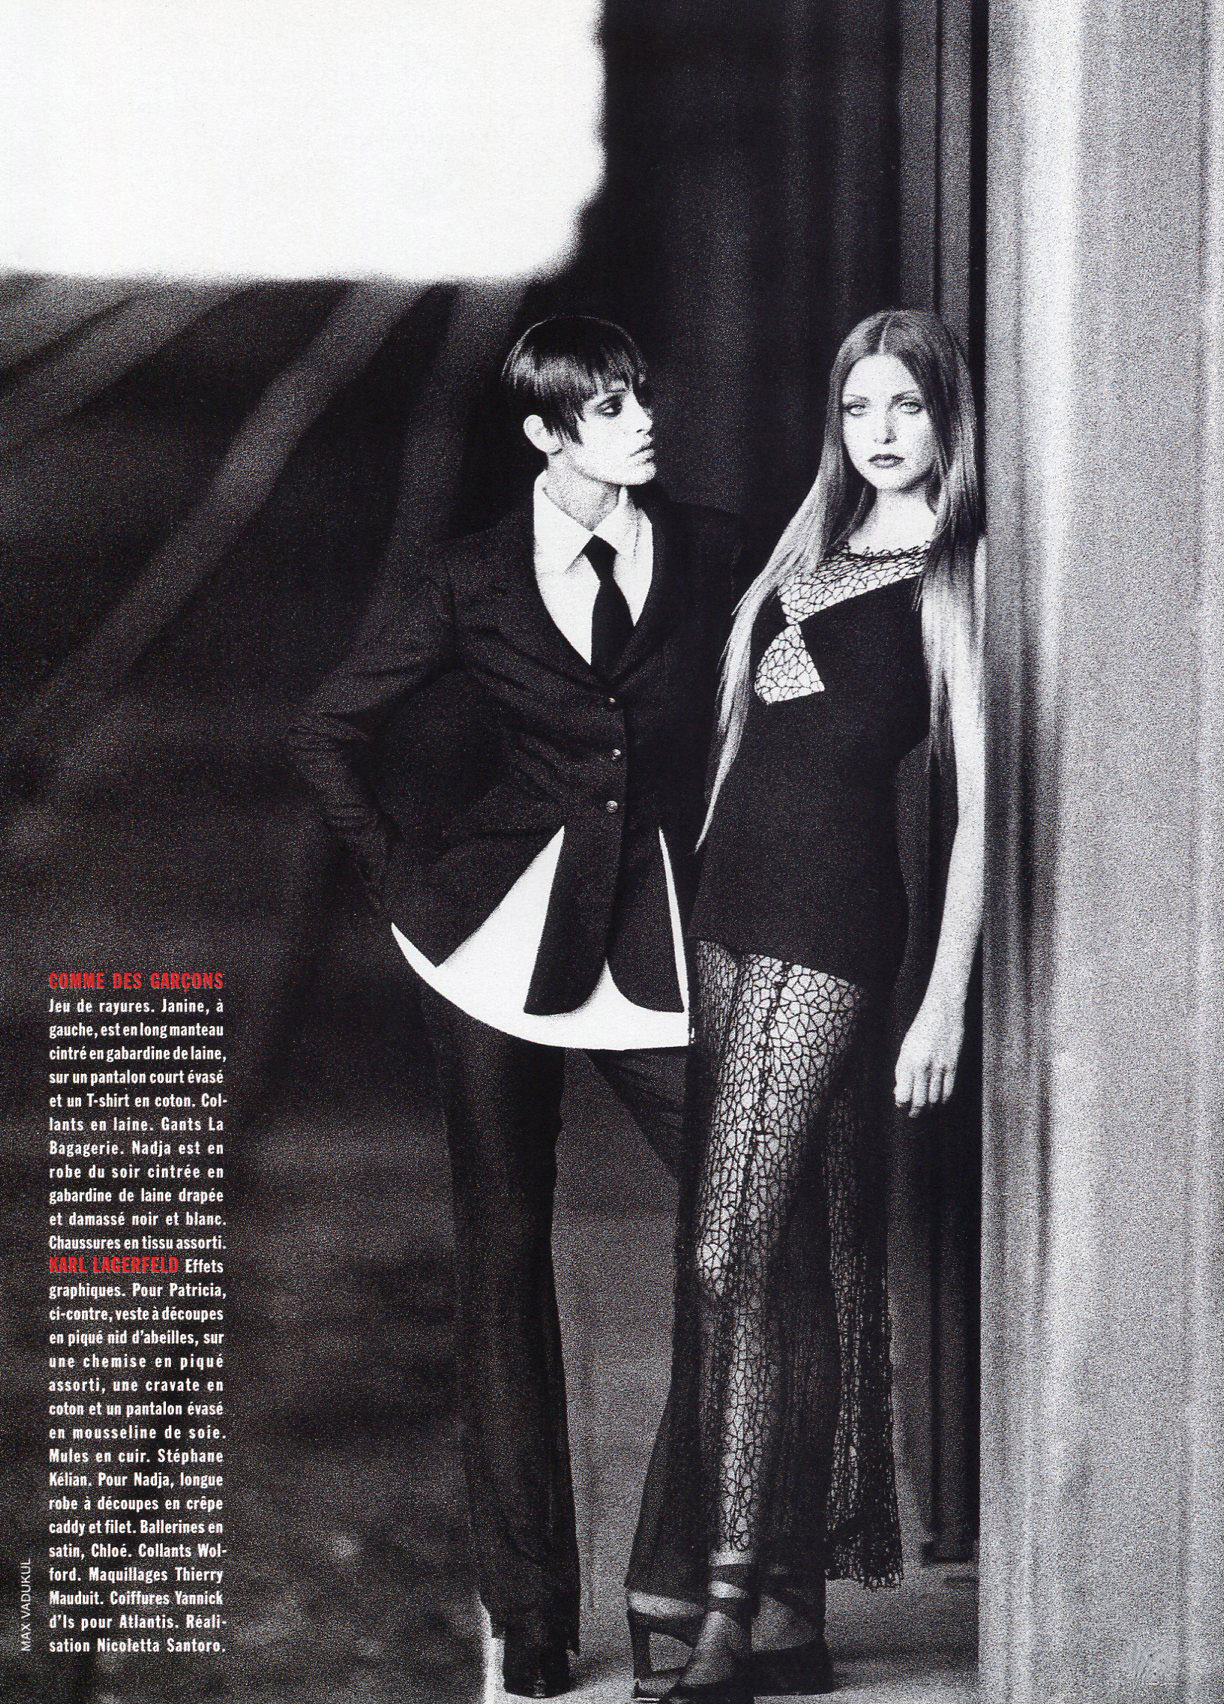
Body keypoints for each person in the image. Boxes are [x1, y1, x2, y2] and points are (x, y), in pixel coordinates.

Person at [287, 315, 740, 1699]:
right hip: (495, 945)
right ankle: (528, 1615)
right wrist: (405, 885)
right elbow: (328, 729)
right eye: (607, 408)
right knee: (501, 1264)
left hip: (658, 942)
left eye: (641, 395)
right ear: (546, 436)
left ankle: (669, 1582)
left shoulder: (715, 550)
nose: (641, 422)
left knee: (737, 1235)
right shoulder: (470, 577)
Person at [624, 308, 985, 1703]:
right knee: (777, 1258)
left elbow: (978, 813)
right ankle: (786, 1618)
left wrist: (941, 1000)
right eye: (858, 407)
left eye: (906, 406)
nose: (880, 432)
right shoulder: (807, 550)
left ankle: (726, 1612)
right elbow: (738, 755)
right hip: (730, 915)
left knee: (727, 1251)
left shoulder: (956, 574)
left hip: (833, 932)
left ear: (947, 419)